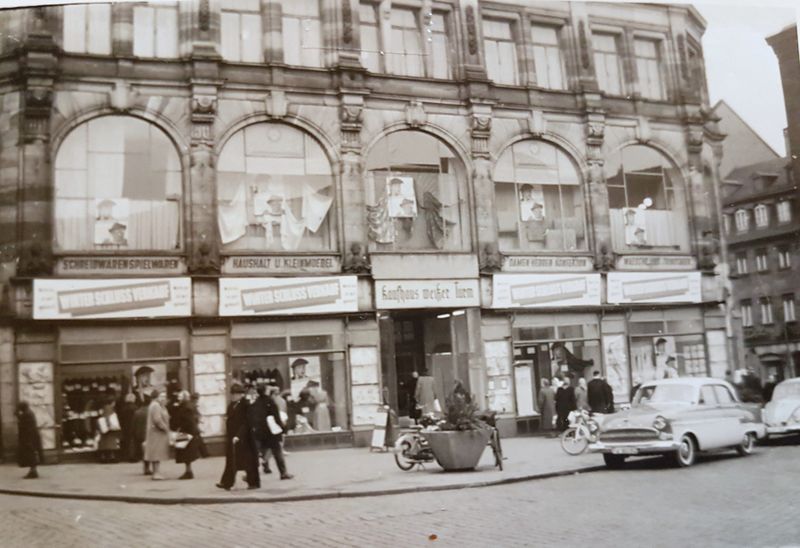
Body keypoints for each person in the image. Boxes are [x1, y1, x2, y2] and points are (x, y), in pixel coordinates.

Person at [217, 384, 260, 490]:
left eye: (236, 394)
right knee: (231, 461)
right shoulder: (231, 405)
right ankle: (226, 483)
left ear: (241, 395)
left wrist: (239, 435)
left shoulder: (246, 405)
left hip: (245, 439)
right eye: (232, 394)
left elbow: (246, 423)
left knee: (249, 462)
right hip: (232, 437)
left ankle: (253, 483)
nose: (233, 396)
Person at [173, 390, 202, 480]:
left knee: (186, 454)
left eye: (180, 397)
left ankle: (188, 472)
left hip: (186, 432)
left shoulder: (185, 407)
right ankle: (188, 471)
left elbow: (187, 421)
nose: (178, 398)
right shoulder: (188, 406)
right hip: (188, 432)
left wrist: (180, 428)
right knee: (186, 453)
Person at [144, 390, 171, 481]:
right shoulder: (156, 405)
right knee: (157, 453)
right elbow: (157, 420)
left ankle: (156, 472)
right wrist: (165, 428)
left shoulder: (154, 405)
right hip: (157, 433)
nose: (164, 398)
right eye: (162, 396)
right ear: (157, 396)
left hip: (154, 433)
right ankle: (156, 473)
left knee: (156, 452)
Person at [16, 402, 43, 479]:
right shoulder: (29, 413)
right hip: (31, 437)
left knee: (30, 455)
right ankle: (33, 471)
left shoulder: (26, 414)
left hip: (29, 438)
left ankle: (33, 472)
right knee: (31, 454)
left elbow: (24, 426)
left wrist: (17, 414)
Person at [96, 396, 121, 463]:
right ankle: (112, 457)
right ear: (112, 403)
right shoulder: (111, 409)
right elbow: (111, 418)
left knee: (104, 443)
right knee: (111, 443)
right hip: (110, 429)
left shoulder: (103, 409)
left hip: (103, 428)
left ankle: (103, 457)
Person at [133, 392, 151, 474]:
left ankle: (146, 467)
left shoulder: (137, 412)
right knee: (149, 451)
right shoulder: (150, 412)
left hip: (140, 434)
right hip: (149, 434)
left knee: (143, 451)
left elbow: (134, 424)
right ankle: (148, 468)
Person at [117, 392, 138, 462]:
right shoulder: (135, 408)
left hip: (125, 427)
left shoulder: (123, 408)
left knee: (126, 441)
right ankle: (132, 456)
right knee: (133, 442)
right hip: (133, 426)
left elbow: (121, 419)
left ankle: (125, 456)